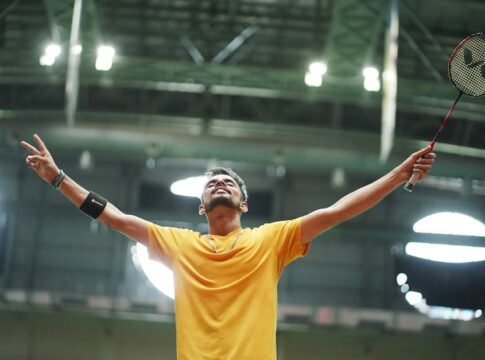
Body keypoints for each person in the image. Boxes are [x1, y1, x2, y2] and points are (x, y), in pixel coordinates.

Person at [20, 134, 435, 360]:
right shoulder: (178, 244)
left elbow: (340, 210)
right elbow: (114, 216)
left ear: (244, 203)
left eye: (229, 183)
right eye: (211, 185)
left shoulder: (272, 239)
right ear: (202, 207)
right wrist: (59, 179)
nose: (220, 184)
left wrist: (399, 174)